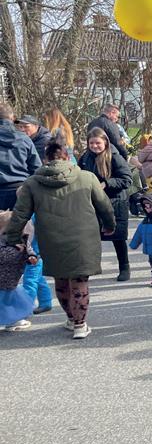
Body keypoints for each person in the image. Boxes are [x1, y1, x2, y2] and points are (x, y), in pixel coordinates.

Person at [4, 141, 115, 339]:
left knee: (61, 279)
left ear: (45, 159)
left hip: (51, 238)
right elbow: (104, 206)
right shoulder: (87, 177)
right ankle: (80, 325)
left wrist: (12, 238)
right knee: (79, 280)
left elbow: (20, 215)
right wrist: (110, 225)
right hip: (83, 238)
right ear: (66, 157)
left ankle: (71, 318)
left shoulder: (32, 183)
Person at [78, 128, 134, 282]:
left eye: (98, 143)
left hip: (115, 201)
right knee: (91, 237)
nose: (94, 146)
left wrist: (106, 184)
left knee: (118, 238)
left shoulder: (114, 157)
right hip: (93, 202)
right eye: (91, 143)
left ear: (105, 142)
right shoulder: (85, 157)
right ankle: (90, 267)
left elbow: (127, 179)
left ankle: (124, 267)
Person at [0, 102, 41, 210]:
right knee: (19, 220)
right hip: (19, 190)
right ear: (12, 118)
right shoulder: (24, 139)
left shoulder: (24, 139)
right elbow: (36, 168)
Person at [0, 212, 36, 331]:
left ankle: (14, 320)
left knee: (12, 299)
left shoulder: (22, 238)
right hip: (3, 277)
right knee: (4, 300)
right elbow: (3, 255)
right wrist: (15, 249)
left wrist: (31, 256)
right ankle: (11, 320)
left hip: (12, 278)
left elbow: (29, 249)